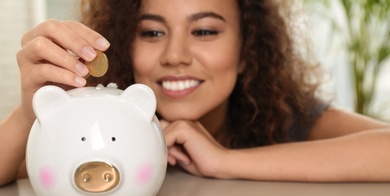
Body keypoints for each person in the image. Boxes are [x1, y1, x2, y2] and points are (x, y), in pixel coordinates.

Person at [0, 0, 389, 186]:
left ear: (246, 50)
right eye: (152, 32)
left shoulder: (290, 116)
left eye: (204, 31)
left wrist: (225, 162)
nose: (175, 55)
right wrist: (30, 114)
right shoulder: (94, 120)